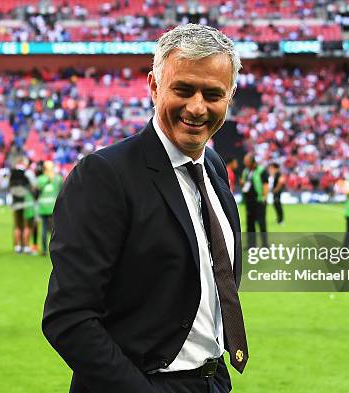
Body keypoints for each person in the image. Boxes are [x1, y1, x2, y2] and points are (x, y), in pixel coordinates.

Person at [43, 24, 248, 393]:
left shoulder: (214, 167)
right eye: (183, 89)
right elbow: (68, 317)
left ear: (230, 96)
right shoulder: (104, 176)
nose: (197, 107)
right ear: (154, 86)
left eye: (213, 94)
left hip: (211, 380)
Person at [240, 152, 269, 247]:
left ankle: (265, 244)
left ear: (251, 161)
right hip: (249, 201)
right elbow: (244, 185)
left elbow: (265, 184)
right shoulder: (246, 171)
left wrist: (264, 197)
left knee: (262, 223)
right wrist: (242, 184)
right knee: (250, 224)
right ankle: (251, 245)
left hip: (259, 201)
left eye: (246, 161)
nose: (244, 162)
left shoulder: (261, 171)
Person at [36, 160, 62, 256]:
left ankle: (44, 250)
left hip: (43, 206)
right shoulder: (58, 178)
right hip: (54, 206)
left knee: (43, 228)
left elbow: (37, 191)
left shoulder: (40, 179)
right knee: (55, 229)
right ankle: (55, 249)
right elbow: (60, 192)